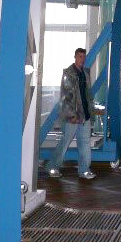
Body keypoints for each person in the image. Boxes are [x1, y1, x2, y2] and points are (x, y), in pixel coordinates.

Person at [48, 47, 97, 179]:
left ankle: (84, 170)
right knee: (65, 142)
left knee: (85, 143)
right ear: (75, 57)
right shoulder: (68, 74)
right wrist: (72, 115)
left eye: (83, 57)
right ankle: (53, 167)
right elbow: (66, 96)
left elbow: (87, 95)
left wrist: (90, 113)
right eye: (80, 56)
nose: (82, 59)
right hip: (73, 117)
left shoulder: (85, 74)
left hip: (85, 115)